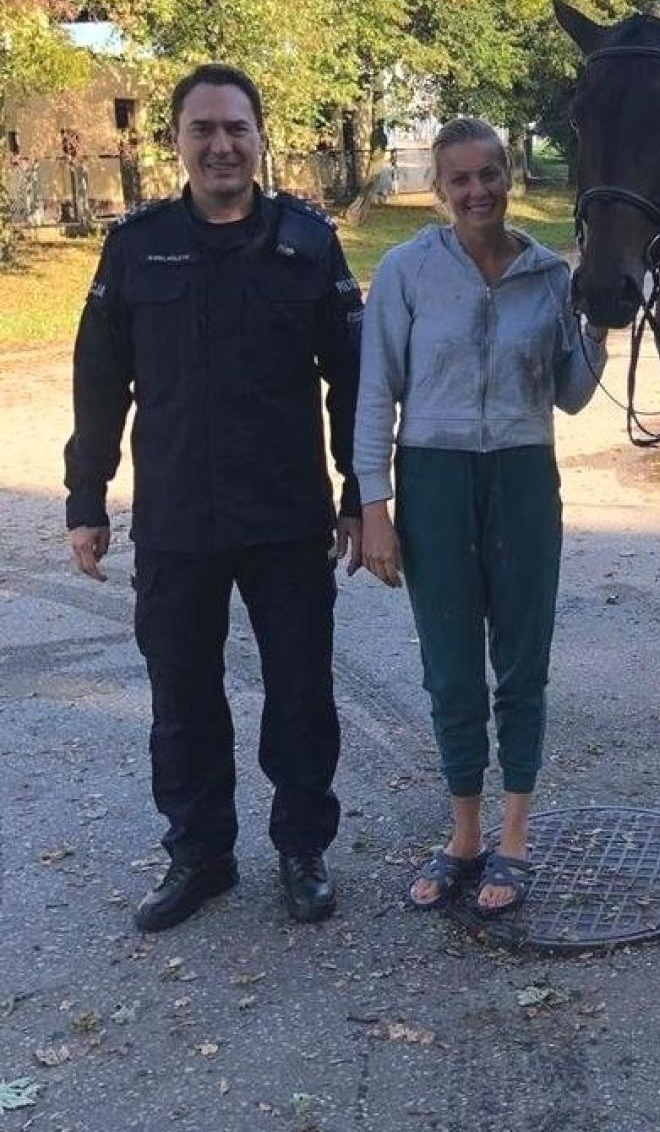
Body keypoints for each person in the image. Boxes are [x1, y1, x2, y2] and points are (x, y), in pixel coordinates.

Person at [64, 63, 363, 931]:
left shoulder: (308, 243)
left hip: (285, 516)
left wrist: (358, 491)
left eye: (237, 128)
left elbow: (350, 379)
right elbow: (98, 379)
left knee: (300, 692)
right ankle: (200, 856)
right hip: (177, 523)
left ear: (261, 137)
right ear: (178, 142)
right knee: (181, 701)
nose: (221, 144)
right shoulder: (135, 245)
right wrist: (88, 495)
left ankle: (301, 849)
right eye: (204, 129)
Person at [354, 117, 607, 918]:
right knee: (450, 665)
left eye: (489, 174)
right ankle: (463, 835)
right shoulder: (405, 270)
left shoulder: (546, 274)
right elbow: (375, 390)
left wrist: (598, 321)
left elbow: (569, 393)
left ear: (508, 176)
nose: (477, 192)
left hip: (524, 475)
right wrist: (374, 506)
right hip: (432, 477)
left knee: (522, 662)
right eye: (459, 179)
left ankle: (516, 835)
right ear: (439, 189)